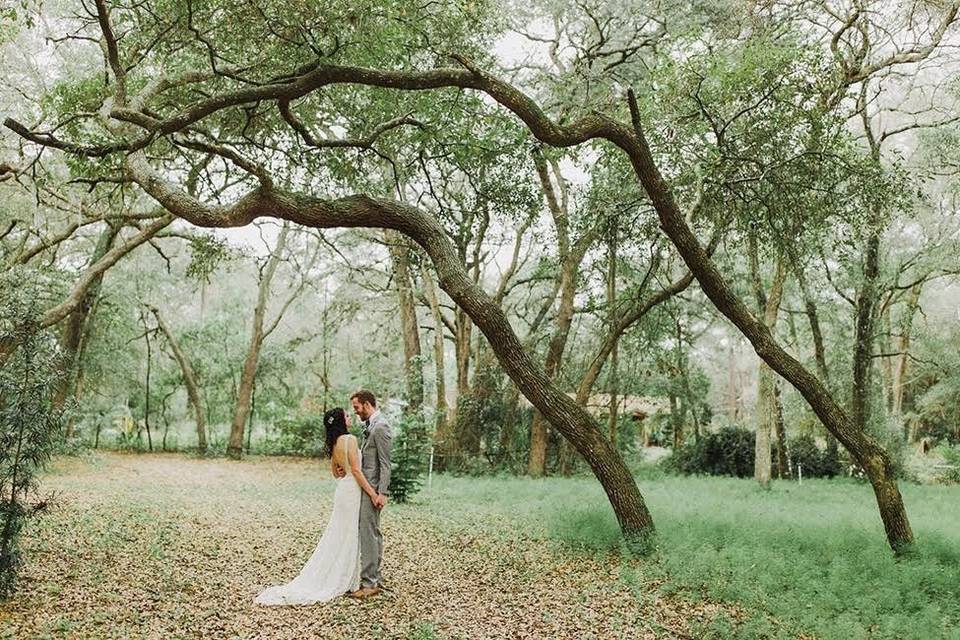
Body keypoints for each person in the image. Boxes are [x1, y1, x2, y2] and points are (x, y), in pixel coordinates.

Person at [254, 407, 380, 605]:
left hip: (342, 491)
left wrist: (343, 467)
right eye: (346, 416)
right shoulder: (350, 440)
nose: (349, 418)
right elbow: (356, 471)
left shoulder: (334, 443)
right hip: (353, 492)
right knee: (348, 535)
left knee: (339, 533)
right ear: (341, 421)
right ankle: (346, 578)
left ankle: (343, 575)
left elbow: (336, 474)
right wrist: (372, 493)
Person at [346, 389, 392, 598]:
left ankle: (370, 583)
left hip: (373, 489)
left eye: (356, 407)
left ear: (366, 404)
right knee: (373, 533)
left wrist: (382, 492)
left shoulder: (381, 426)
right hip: (368, 488)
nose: (355, 412)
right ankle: (374, 577)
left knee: (369, 534)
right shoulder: (371, 425)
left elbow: (385, 463)